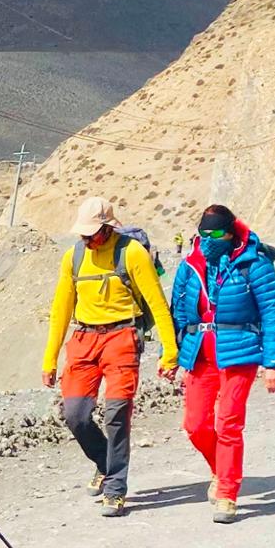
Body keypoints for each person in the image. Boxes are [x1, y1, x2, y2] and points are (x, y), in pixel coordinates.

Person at [40, 197, 178, 517]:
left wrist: (169, 352)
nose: (85, 239)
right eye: (82, 234)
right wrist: (49, 359)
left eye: (91, 233)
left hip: (121, 339)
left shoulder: (132, 253)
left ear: (107, 227)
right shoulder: (72, 257)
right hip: (84, 340)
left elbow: (157, 304)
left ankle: (115, 486)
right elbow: (60, 311)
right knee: (75, 414)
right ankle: (104, 463)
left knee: (116, 414)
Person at [168, 205, 275, 523]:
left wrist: (273, 363)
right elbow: (177, 310)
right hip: (200, 355)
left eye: (216, 234)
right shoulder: (190, 264)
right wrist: (174, 353)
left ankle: (227, 494)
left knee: (229, 424)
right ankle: (220, 470)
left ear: (231, 232)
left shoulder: (255, 262)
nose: (209, 240)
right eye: (203, 234)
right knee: (195, 426)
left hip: (240, 353)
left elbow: (274, 313)